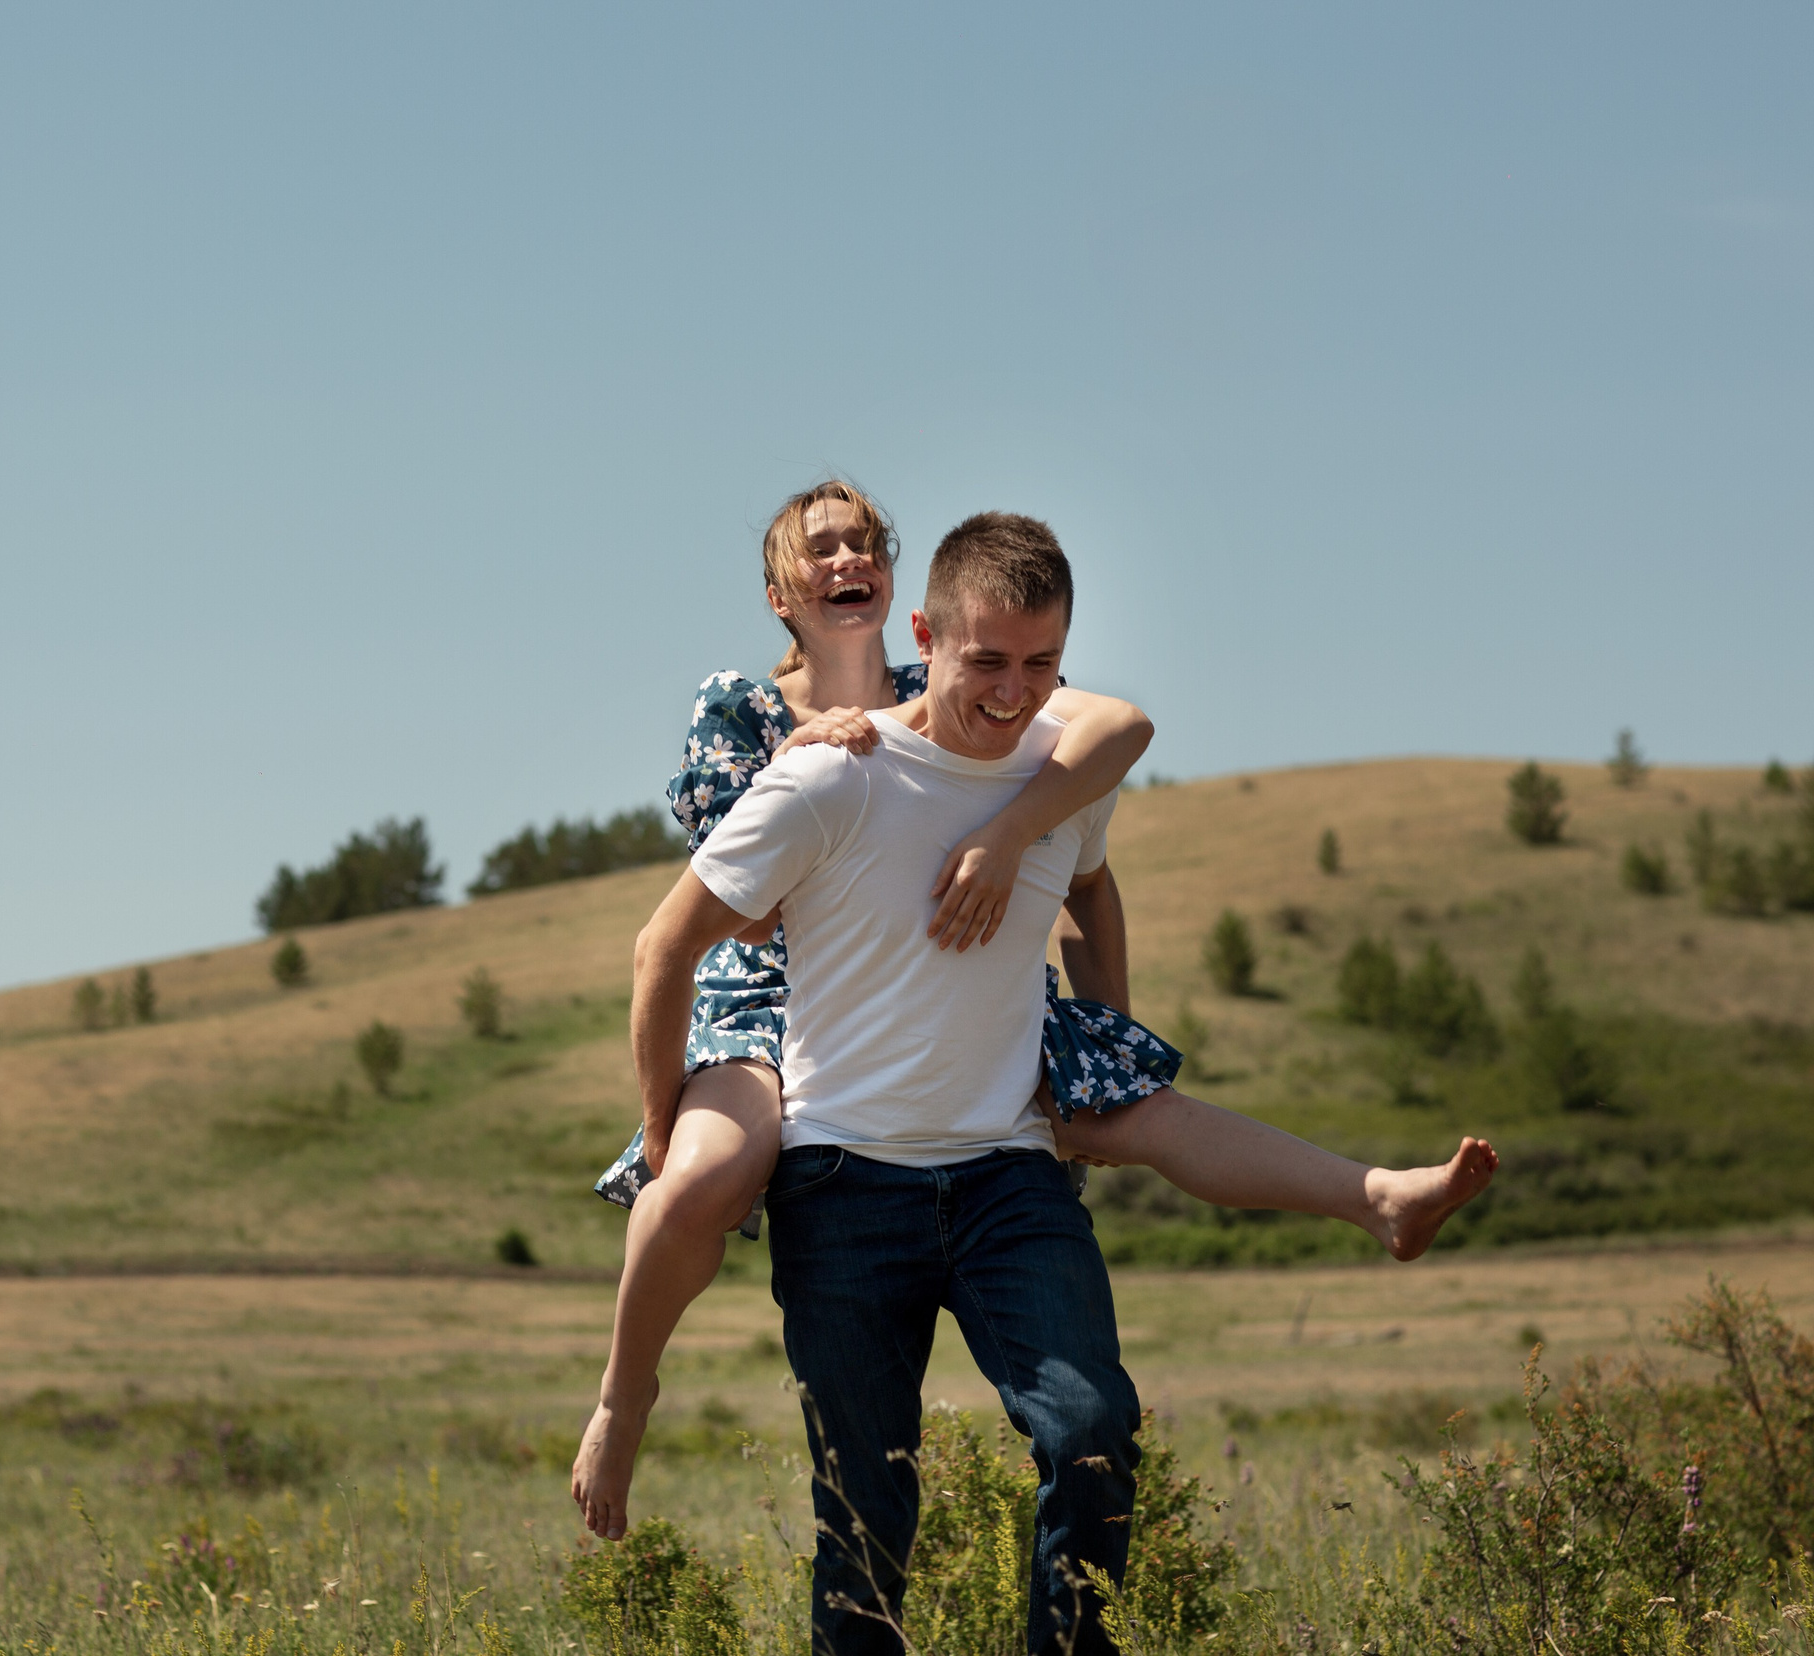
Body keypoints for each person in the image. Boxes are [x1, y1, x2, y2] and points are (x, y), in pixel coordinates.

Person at [578, 501, 1498, 1644]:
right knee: (863, 1516)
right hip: (841, 1179)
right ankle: (627, 1392)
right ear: (929, 636)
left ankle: (1373, 1198)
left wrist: (1104, 1033)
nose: (1015, 688)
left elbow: (1097, 856)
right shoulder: (819, 771)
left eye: (1041, 663)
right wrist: (662, 1130)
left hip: (1007, 1176)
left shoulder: (1061, 777)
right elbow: (670, 941)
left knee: (1093, 1428)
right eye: (988, 662)